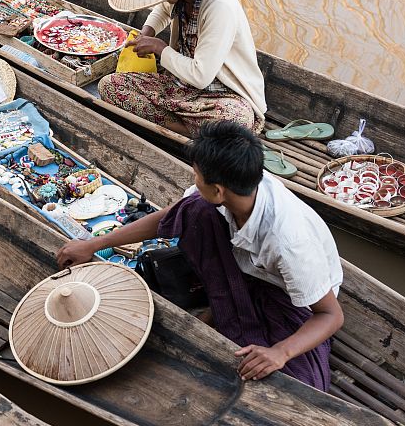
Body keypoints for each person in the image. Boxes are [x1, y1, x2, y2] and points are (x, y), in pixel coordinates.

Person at [56, 121, 343, 390]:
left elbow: (330, 315)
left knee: (300, 383)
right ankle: (225, 307)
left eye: (197, 175)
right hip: (253, 269)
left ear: (219, 190)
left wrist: (280, 352)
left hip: (293, 298)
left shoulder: (290, 241)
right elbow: (166, 218)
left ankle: (229, 312)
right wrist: (93, 244)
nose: (194, 179)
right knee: (194, 209)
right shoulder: (236, 188)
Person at [100, 0, 267, 137]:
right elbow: (161, 10)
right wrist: (146, 33)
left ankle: (181, 130)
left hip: (223, 94)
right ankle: (196, 131)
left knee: (236, 121)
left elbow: (201, 76)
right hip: (178, 86)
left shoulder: (220, 6)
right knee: (109, 86)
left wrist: (159, 48)